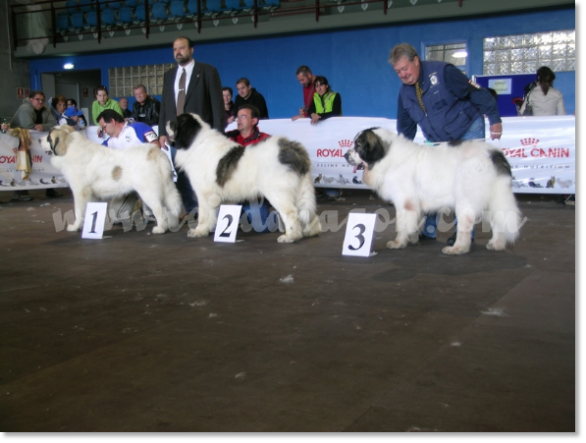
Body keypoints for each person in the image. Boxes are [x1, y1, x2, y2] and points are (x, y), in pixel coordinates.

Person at [389, 43, 502, 245]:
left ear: (416, 61)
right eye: (398, 72)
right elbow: (405, 128)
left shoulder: (443, 72)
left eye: (405, 69)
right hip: (437, 138)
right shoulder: (404, 93)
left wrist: (494, 118)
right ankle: (430, 230)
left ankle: (464, 234)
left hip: (467, 129)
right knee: (430, 181)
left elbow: (475, 92)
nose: (403, 75)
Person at [158, 36, 225, 215]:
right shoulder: (169, 75)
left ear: (191, 50)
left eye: (181, 48)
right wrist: (161, 132)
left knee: (205, 176)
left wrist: (218, 135)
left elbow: (217, 106)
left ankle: (211, 212)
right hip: (175, 137)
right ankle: (193, 212)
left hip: (200, 138)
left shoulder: (207, 72)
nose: (178, 52)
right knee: (181, 176)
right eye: (175, 49)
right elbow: (164, 105)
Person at [97, 109, 161, 223]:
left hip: (148, 178)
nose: (103, 131)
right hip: (128, 183)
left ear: (112, 121)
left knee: (153, 214)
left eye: (104, 127)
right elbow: (95, 155)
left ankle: (151, 208)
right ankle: (139, 204)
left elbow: (156, 146)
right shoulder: (109, 143)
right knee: (116, 217)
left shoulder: (138, 128)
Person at [225, 104, 276, 233]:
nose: (238, 120)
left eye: (243, 117)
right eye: (237, 117)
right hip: (231, 196)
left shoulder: (266, 140)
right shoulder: (227, 138)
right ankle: (241, 218)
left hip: (254, 196)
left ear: (254, 121)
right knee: (216, 228)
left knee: (263, 228)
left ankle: (280, 216)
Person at [8, 90, 61, 201]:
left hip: (37, 143)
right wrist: (43, 126)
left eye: (42, 100)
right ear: (31, 99)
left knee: (47, 162)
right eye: (37, 99)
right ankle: (20, 191)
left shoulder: (46, 110)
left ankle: (50, 188)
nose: (40, 102)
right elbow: (28, 126)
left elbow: (54, 123)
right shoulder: (25, 109)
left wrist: (43, 126)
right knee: (23, 164)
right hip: (20, 142)